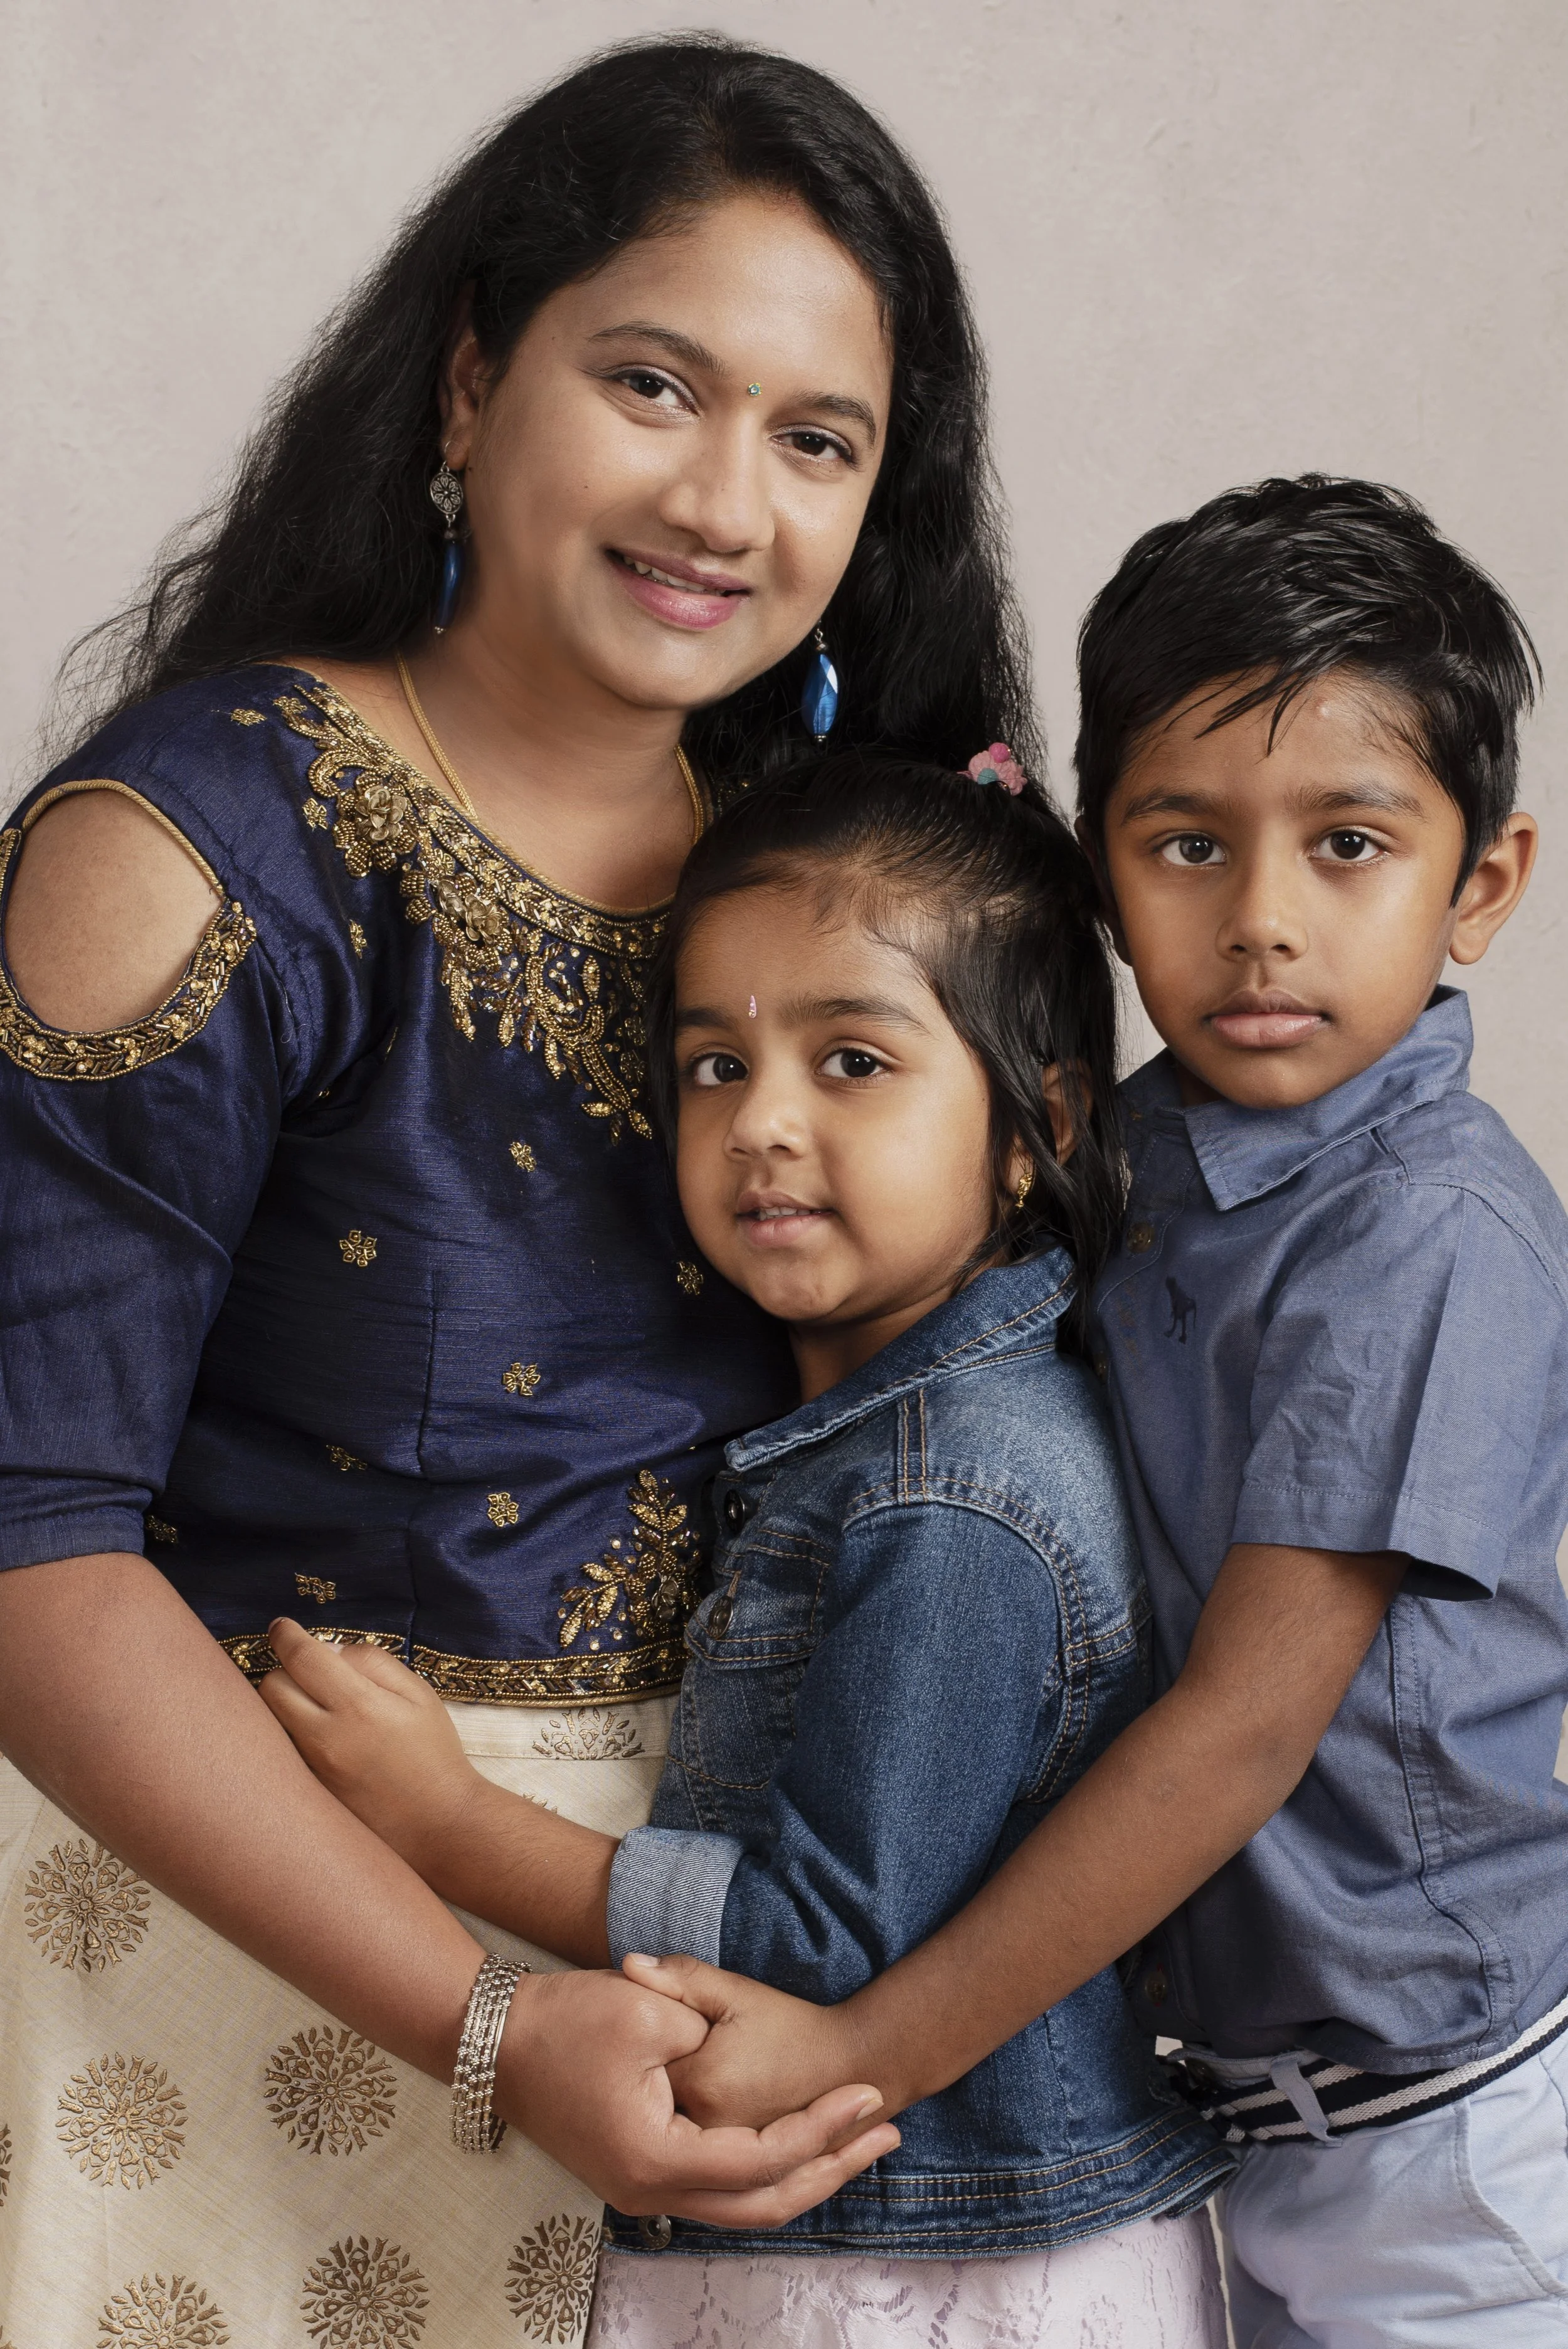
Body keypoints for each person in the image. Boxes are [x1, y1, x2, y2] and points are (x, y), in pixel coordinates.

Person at [0, 35, 1036, 2343]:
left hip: (735, 1993)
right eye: (654, 383)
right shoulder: (198, 846)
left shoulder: (835, 881)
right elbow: (26, 1544)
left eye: (819, 439)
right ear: (469, 386)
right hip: (258, 1985)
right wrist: (486, 2024)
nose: (727, 502)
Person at [552, 477, 1566, 2346]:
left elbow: (1233, 1739)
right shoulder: (1149, 1144)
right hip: (1226, 2107)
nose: (1260, 924)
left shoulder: (1420, 1236)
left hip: (1451, 2120)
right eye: (1186, 847)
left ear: (1476, 886)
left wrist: (861, 2044)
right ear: (1103, 868)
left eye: (1345, 846)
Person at [262, 748, 1234, 2347]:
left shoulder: (954, 1491)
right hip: (862, 2240)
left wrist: (446, 1823)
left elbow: (815, 1945)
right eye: (714, 1066)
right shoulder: (865, 1440)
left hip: (926, 2270)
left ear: (1031, 1125)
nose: (762, 1125)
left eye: (852, 1061)